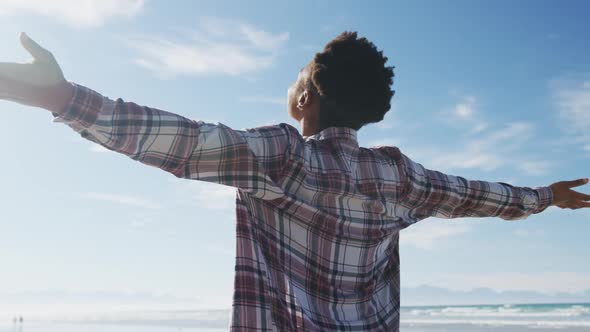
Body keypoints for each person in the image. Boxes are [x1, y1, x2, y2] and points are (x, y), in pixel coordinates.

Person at [1, 31, 589, 331]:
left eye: (296, 77)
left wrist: (62, 97)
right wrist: (545, 198)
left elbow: (180, 141)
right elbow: (474, 195)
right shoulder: (398, 175)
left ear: (303, 97)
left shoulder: (281, 159)